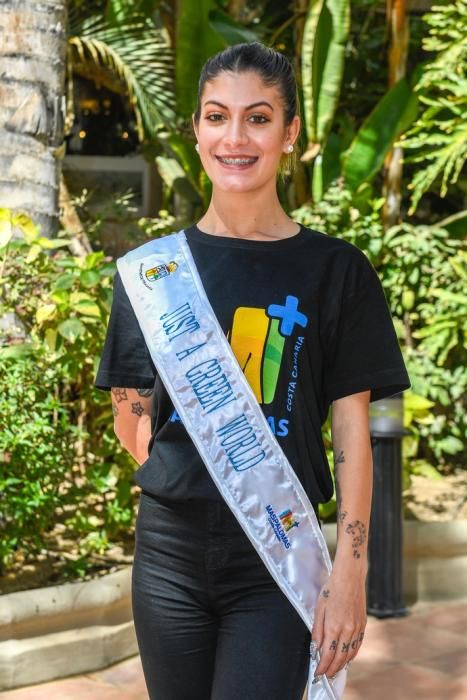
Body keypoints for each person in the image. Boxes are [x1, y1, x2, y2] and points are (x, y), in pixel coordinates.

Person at [95, 42, 410, 700]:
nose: (234, 137)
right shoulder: (152, 275)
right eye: (216, 116)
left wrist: (350, 573)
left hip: (276, 553)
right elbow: (132, 417)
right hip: (169, 555)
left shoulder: (335, 271)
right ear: (197, 130)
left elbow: (352, 437)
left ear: (290, 133)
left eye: (258, 118)